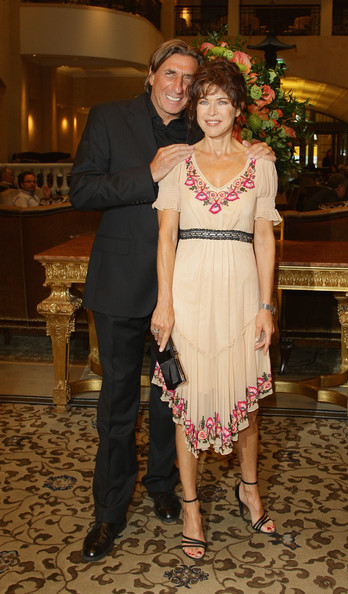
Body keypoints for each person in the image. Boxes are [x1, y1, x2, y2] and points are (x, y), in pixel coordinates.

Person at [69, 39, 275, 564]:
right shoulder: (109, 117)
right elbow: (82, 191)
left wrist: (260, 150)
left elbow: (228, 159)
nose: (180, 87)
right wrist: (148, 172)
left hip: (187, 295)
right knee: (118, 403)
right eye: (171, 74)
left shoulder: (197, 125)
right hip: (122, 286)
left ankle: (165, 488)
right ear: (151, 74)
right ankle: (109, 513)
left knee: (173, 401)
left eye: (189, 79)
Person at [150, 58, 281, 560]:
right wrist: (164, 304)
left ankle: (249, 490)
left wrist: (266, 306)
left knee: (246, 407)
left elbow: (264, 239)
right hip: (188, 297)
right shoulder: (178, 164)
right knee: (187, 407)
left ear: (238, 107)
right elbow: (166, 237)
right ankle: (191, 508)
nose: (211, 110)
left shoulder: (260, 164)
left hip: (242, 297)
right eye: (203, 100)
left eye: (222, 100)